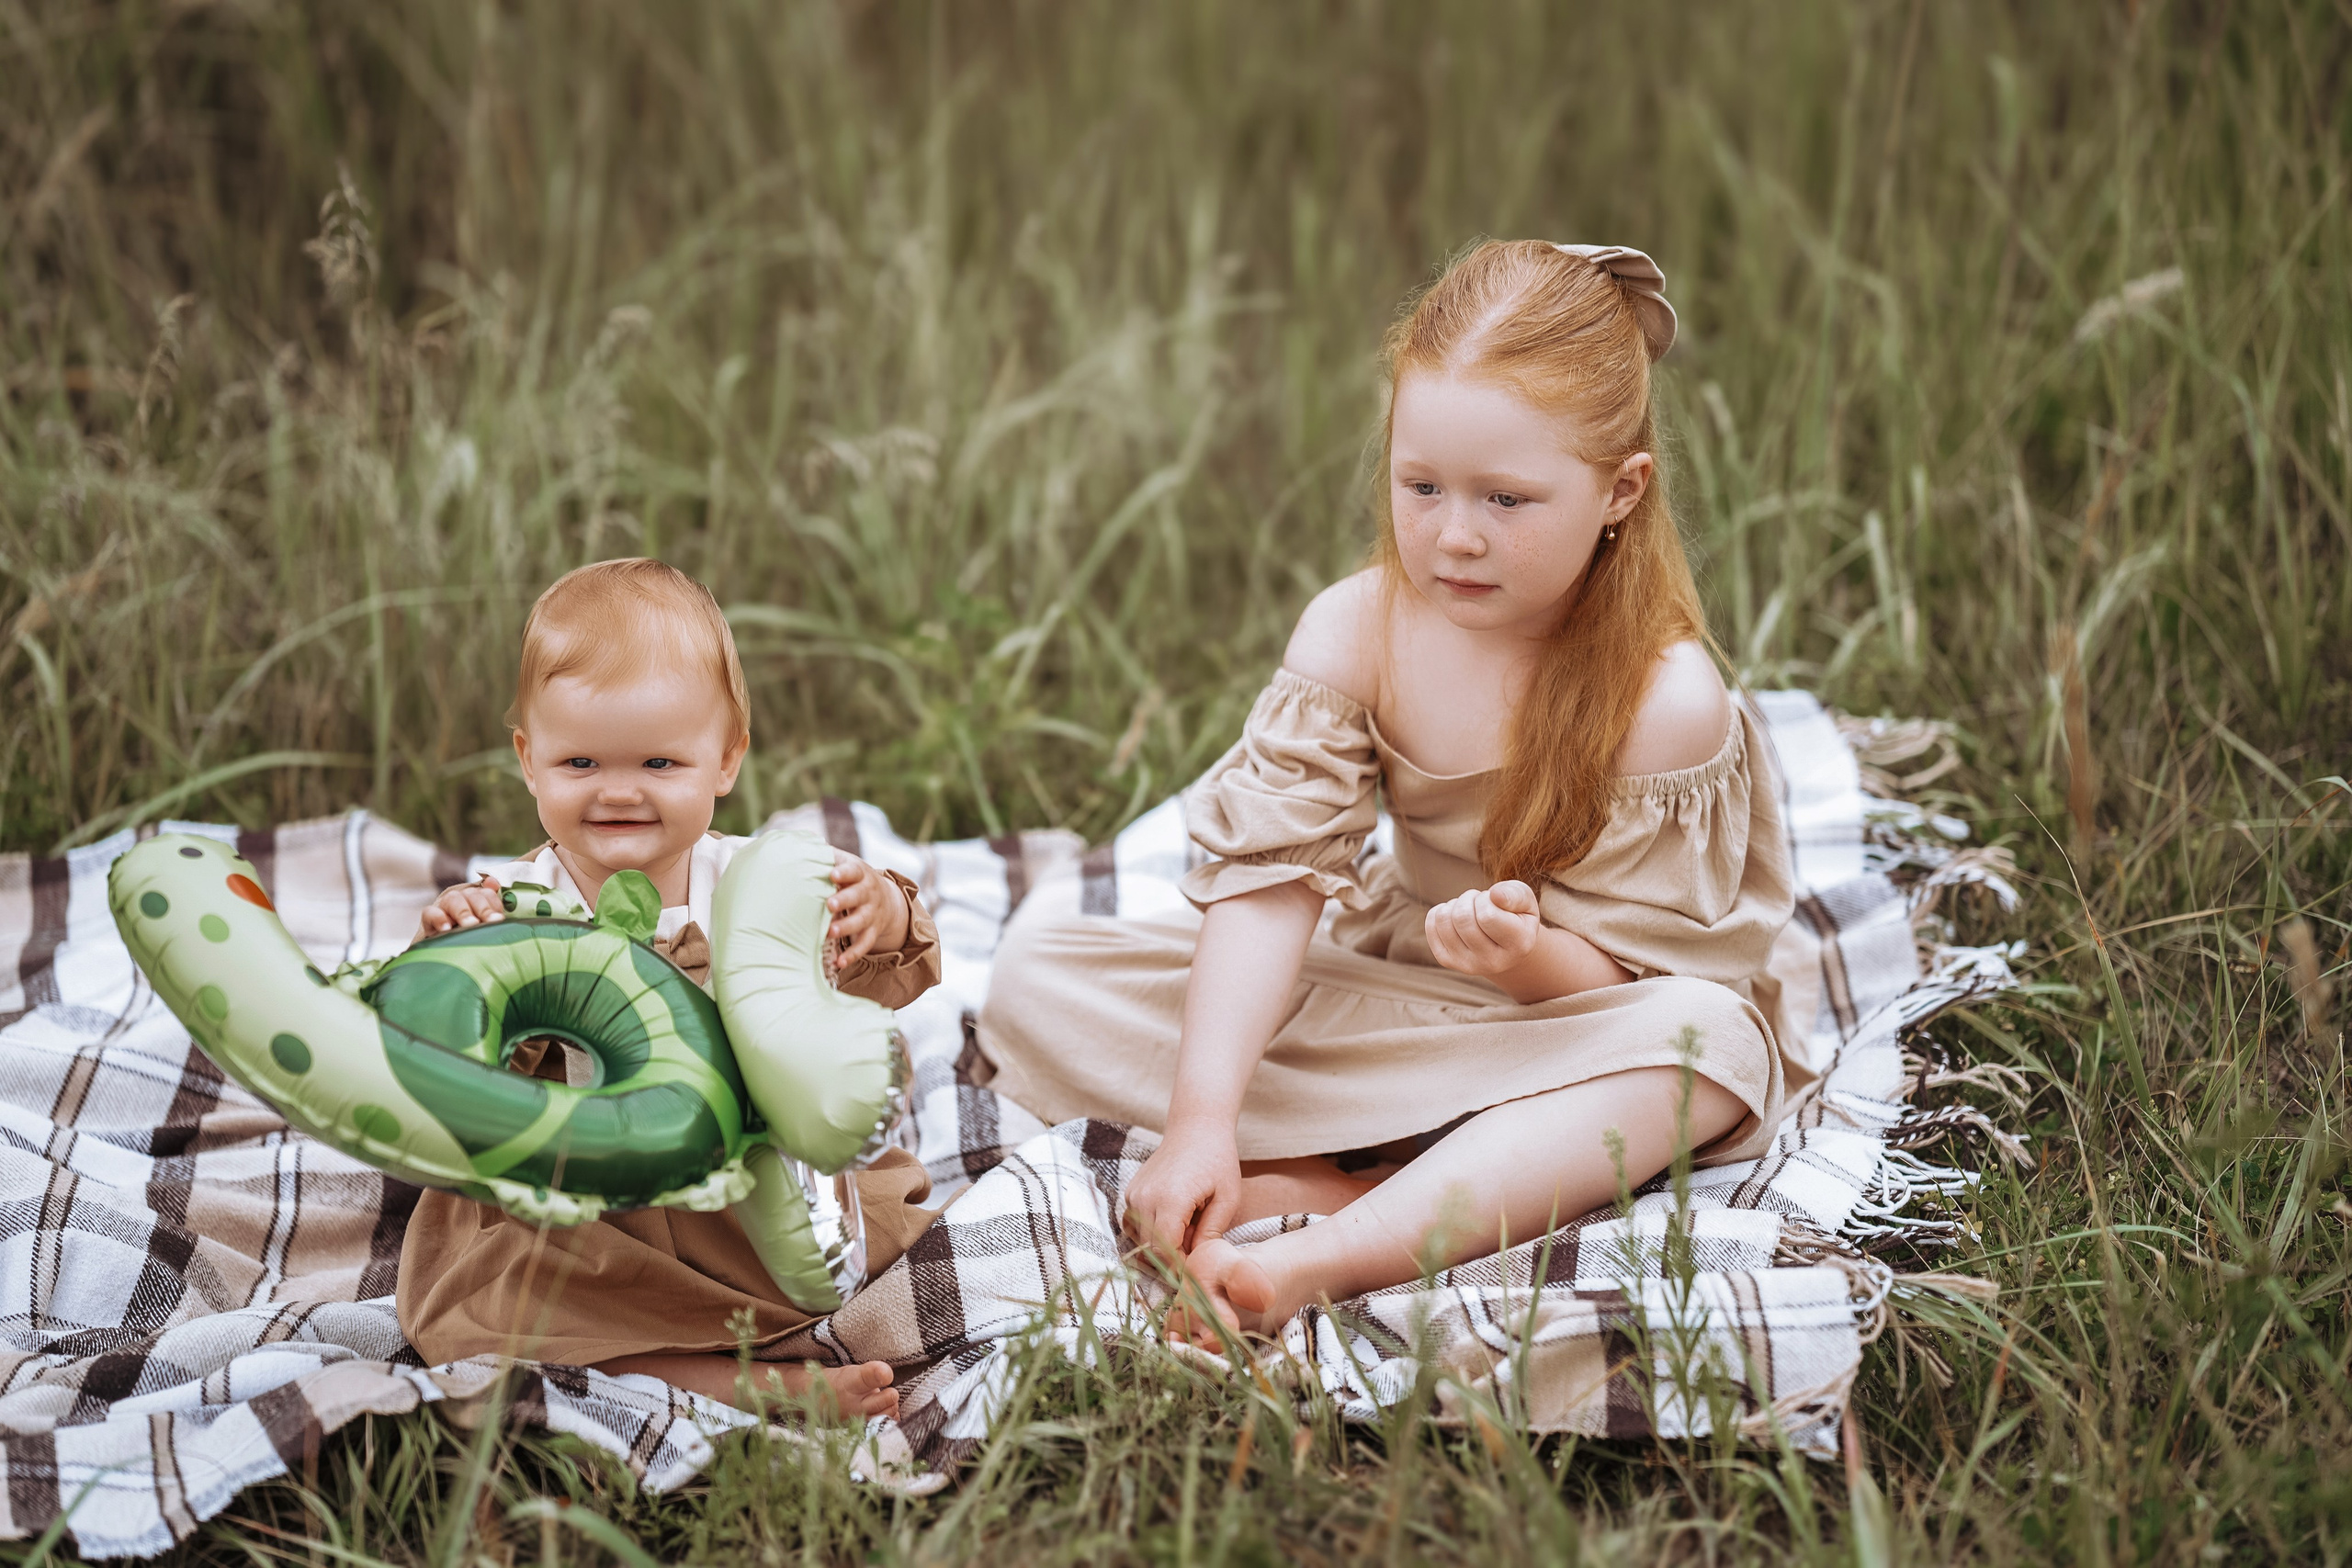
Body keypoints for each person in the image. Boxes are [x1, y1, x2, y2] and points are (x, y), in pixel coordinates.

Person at [974, 241, 1800, 1342]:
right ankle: (1354, 1169)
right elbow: (1272, 885)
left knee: (1707, 1050)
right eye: (1422, 486)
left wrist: (1524, 954)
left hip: (1564, 1022)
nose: (1455, 535)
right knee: (1039, 967)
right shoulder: (1358, 629)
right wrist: (1200, 1119)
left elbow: (1642, 981)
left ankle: (1334, 1244)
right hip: (1390, 984)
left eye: (1506, 498)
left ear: (1620, 491)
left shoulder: (1664, 698)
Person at [396, 558, 937, 1419]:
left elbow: (873, 981)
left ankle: (770, 1333)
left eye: (658, 760)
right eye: (579, 761)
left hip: (744, 1197)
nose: (618, 791)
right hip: (594, 1213)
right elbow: (447, 1058)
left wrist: (883, 915)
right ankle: (743, 1383)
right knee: (506, 1305)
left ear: (725, 760)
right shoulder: (518, 904)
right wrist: (455, 952)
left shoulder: (755, 884)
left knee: (859, 1236)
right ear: (528, 762)